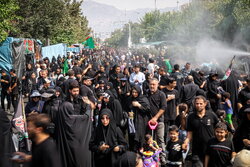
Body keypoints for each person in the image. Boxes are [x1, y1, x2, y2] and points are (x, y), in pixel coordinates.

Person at [55, 82, 92, 167]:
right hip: (68, 131)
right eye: (74, 91)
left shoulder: (81, 100)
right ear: (69, 91)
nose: (76, 93)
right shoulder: (65, 101)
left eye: (77, 91)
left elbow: (85, 113)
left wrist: (86, 105)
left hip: (79, 130)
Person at [182, 96, 219, 166]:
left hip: (211, 149)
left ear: (205, 104)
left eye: (201, 103)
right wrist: (185, 143)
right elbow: (189, 133)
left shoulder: (212, 115)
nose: (198, 105)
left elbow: (219, 129)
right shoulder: (191, 117)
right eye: (197, 103)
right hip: (197, 151)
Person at [147, 78, 167, 165]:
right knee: (149, 139)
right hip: (148, 121)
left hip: (159, 121)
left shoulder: (161, 94)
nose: (152, 86)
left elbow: (163, 108)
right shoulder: (146, 93)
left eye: (154, 84)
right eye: (151, 84)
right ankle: (151, 157)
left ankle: (162, 158)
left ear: (157, 85)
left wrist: (155, 118)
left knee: (160, 139)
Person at [127, 85, 151, 152]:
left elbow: (148, 109)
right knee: (132, 136)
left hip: (141, 121)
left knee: (140, 137)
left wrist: (139, 105)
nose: (134, 94)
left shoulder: (143, 99)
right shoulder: (130, 99)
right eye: (133, 92)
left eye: (136, 92)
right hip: (132, 121)